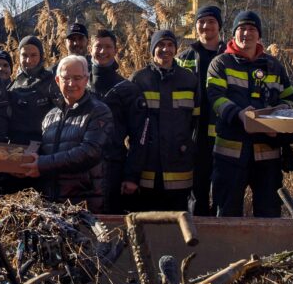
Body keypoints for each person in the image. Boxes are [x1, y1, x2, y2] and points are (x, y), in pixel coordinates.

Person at [207, 11, 293, 217]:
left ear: (259, 35)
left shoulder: (274, 65)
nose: (246, 33)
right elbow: (215, 97)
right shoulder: (220, 63)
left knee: (269, 213)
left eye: (252, 29)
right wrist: (238, 114)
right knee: (227, 213)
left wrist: (281, 113)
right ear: (233, 34)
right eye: (241, 29)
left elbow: (290, 96)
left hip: (267, 154)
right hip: (229, 155)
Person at [20, 55, 113, 213]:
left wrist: (42, 164)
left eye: (77, 78)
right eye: (66, 78)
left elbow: (89, 152)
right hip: (52, 205)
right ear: (57, 80)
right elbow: (41, 153)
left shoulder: (99, 112)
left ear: (86, 79)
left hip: (84, 205)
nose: (71, 84)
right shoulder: (50, 116)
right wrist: (21, 165)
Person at [124, 30, 200, 212]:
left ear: (175, 49)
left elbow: (195, 124)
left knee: (176, 230)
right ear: (152, 49)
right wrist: (131, 174)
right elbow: (132, 129)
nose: (165, 49)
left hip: (180, 171)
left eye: (170, 45)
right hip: (147, 172)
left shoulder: (189, 79)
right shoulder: (139, 79)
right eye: (160, 45)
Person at [88, 29, 146, 214]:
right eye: (98, 47)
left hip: (112, 167)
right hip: (80, 165)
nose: (103, 52)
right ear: (90, 49)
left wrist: (131, 175)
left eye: (108, 47)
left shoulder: (127, 89)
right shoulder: (78, 83)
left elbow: (140, 137)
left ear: (116, 50)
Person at [176, 5, 225, 216]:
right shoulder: (184, 57)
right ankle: (199, 231)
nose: (206, 26)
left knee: (223, 187)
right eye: (201, 22)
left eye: (211, 22)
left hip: (224, 132)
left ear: (219, 26)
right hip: (195, 133)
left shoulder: (230, 55)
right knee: (197, 188)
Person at [1, 36, 62, 194]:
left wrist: (44, 161)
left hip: (41, 157)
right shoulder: (14, 84)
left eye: (33, 55)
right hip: (15, 154)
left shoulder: (52, 82)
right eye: (24, 55)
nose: (28, 60)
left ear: (41, 56)